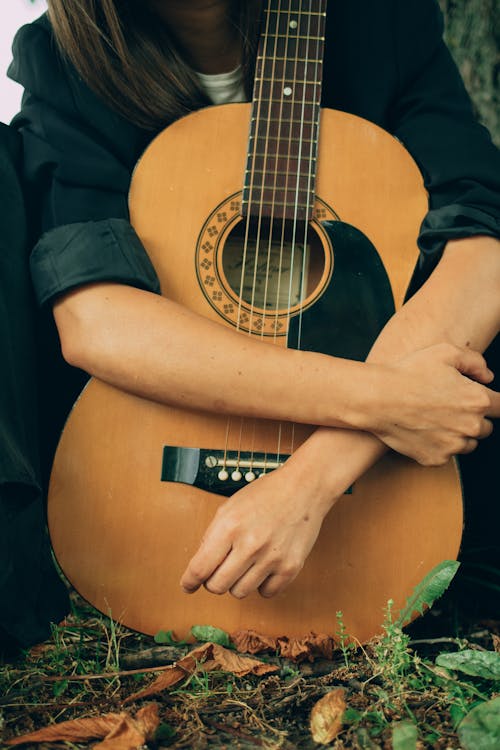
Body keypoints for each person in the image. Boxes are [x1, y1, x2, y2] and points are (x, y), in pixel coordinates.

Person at [3, 0, 500, 645]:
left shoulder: (384, 19)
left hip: (391, 446)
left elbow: (481, 245)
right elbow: (97, 317)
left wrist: (312, 478)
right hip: (162, 425)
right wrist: (387, 401)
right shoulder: (66, 55)